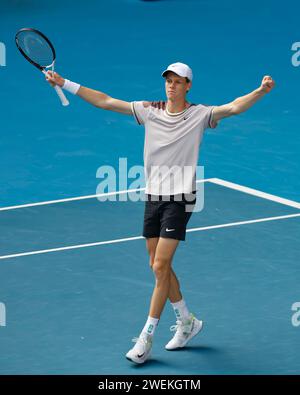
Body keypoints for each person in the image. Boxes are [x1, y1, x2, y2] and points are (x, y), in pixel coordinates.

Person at [46, 62, 275, 364]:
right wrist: (66, 83)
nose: (171, 86)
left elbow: (232, 108)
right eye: (168, 81)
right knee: (158, 265)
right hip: (153, 196)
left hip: (180, 198)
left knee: (159, 267)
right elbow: (105, 101)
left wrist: (260, 91)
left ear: (188, 86)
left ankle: (145, 337)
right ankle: (187, 321)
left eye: (178, 82)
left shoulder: (198, 115)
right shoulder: (149, 110)